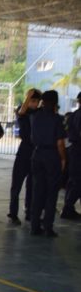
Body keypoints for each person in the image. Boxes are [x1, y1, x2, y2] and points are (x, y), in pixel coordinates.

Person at [30, 90, 66, 237]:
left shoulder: (35, 116)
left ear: (42, 102)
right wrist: (63, 159)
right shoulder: (57, 119)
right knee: (51, 193)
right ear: (55, 102)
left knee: (37, 191)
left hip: (37, 154)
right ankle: (48, 227)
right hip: (52, 156)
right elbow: (60, 143)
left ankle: (34, 226)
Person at [8, 89, 41, 225]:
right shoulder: (23, 111)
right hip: (24, 151)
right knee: (17, 184)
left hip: (35, 151)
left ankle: (29, 212)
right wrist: (28, 96)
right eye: (32, 101)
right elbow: (21, 112)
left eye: (36, 101)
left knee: (32, 185)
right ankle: (13, 213)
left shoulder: (39, 113)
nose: (34, 104)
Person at [61, 92, 81, 220]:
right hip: (79, 149)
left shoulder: (73, 115)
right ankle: (68, 208)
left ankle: (68, 207)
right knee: (77, 182)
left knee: (73, 180)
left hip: (74, 150)